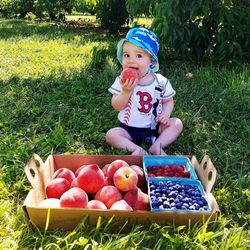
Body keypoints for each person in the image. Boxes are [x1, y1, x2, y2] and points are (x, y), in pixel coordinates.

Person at [106, 26, 183, 155]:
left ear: (151, 62)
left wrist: (165, 115)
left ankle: (157, 145)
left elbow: (168, 101)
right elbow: (117, 106)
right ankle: (136, 148)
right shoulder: (122, 80)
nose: (131, 60)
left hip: (155, 128)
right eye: (127, 55)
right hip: (128, 129)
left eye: (139, 55)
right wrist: (125, 92)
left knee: (177, 123)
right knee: (111, 135)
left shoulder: (161, 81)